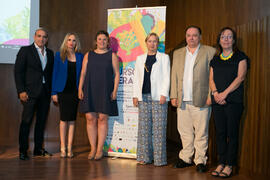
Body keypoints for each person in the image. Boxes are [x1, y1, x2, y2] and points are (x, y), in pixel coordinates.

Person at [170, 25, 216, 172]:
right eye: (189, 35)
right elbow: (175, 76)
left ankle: (200, 160)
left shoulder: (210, 51)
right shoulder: (177, 53)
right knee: (184, 131)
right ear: (186, 37)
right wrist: (173, 95)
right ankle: (185, 158)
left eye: (195, 35)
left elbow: (213, 76)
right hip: (182, 99)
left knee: (201, 132)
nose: (191, 38)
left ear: (200, 37)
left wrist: (210, 96)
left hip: (202, 99)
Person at [210, 27, 248, 178]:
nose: (226, 39)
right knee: (220, 133)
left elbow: (240, 78)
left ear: (233, 40)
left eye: (229, 37)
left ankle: (230, 165)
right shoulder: (215, 59)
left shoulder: (240, 57)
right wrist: (215, 94)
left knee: (232, 134)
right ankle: (221, 162)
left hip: (233, 102)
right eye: (223, 37)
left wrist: (224, 94)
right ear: (219, 40)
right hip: (217, 101)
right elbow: (211, 79)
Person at [78, 30, 119, 160]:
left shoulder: (112, 56)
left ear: (108, 42)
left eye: (104, 39)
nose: (102, 41)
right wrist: (80, 88)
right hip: (89, 89)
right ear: (96, 41)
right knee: (90, 118)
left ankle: (100, 149)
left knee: (102, 118)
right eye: (99, 39)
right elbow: (83, 73)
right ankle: (93, 148)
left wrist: (115, 91)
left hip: (105, 90)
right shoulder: (88, 55)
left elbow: (117, 74)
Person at [14, 28, 54, 160]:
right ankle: (23, 151)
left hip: (45, 93)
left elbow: (50, 73)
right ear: (34, 37)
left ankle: (38, 149)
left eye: (44, 37)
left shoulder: (50, 53)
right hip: (29, 93)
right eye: (39, 36)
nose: (41, 39)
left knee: (41, 123)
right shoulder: (25, 51)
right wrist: (21, 91)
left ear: (47, 39)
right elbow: (18, 72)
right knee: (26, 122)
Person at [133, 33, 170, 166]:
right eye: (150, 41)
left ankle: (159, 159)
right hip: (143, 97)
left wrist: (164, 94)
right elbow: (137, 78)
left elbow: (167, 77)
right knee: (144, 128)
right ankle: (144, 157)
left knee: (159, 129)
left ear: (157, 43)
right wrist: (135, 95)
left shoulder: (164, 58)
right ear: (146, 42)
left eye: (155, 41)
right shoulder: (139, 59)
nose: (152, 44)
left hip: (158, 97)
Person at [51, 33, 83, 158]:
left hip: (74, 92)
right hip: (62, 91)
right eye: (69, 40)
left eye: (74, 40)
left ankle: (70, 147)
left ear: (76, 43)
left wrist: (82, 90)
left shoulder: (80, 56)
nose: (71, 42)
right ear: (66, 41)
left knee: (72, 120)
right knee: (63, 119)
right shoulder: (59, 55)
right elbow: (54, 73)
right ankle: (62, 147)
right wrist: (53, 92)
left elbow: (82, 75)